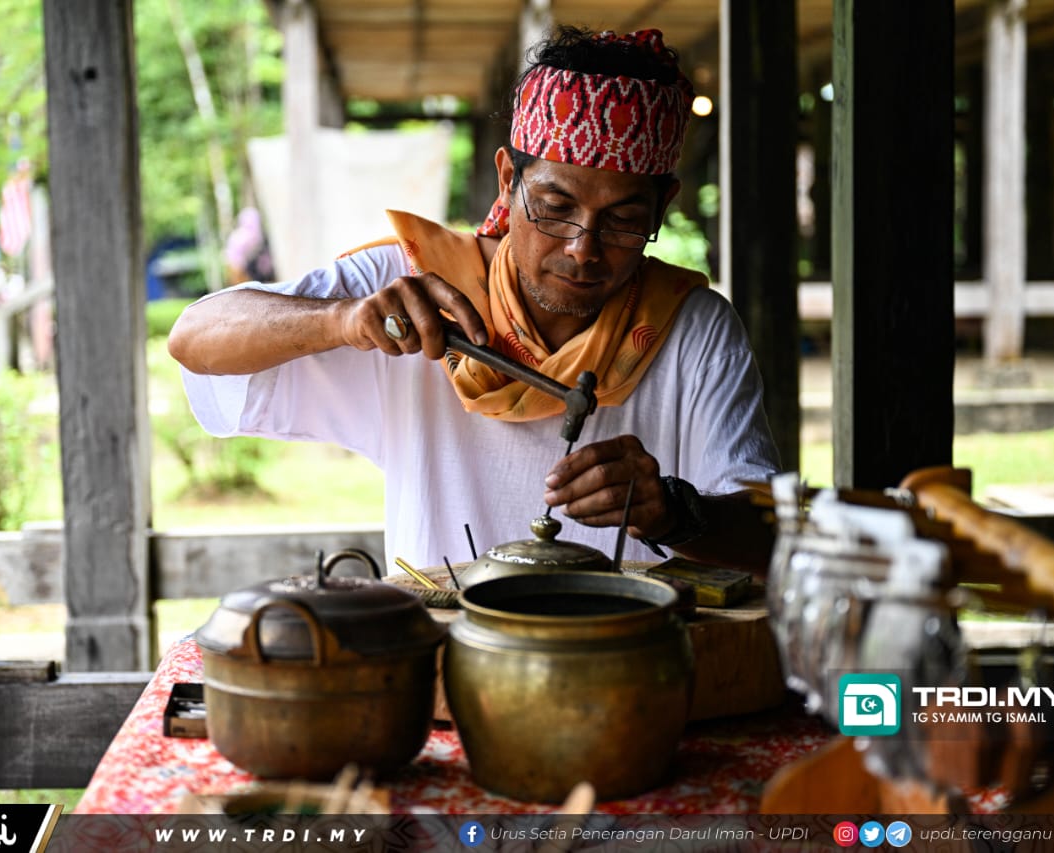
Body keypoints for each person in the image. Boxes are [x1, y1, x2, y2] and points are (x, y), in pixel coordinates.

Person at [168, 26, 780, 573]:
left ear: (663, 205)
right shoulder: (412, 286)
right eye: (555, 207)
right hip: (449, 659)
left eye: (622, 219)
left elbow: (774, 543)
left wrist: (674, 512)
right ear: (508, 180)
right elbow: (195, 338)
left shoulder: (691, 328)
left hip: (628, 667)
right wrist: (340, 319)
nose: (581, 249)